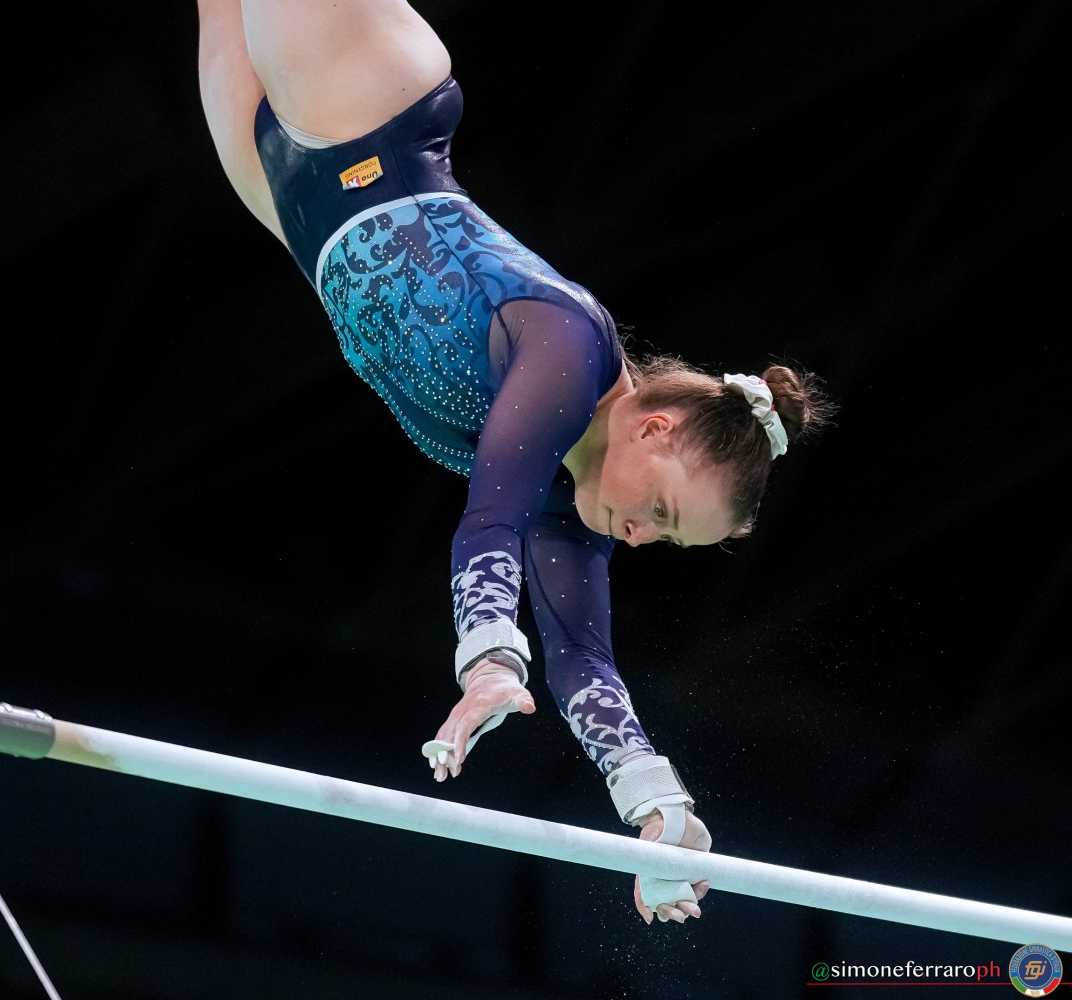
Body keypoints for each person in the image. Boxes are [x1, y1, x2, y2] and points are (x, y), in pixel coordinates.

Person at [195, 0, 834, 926]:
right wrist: (491, 658)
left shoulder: (572, 504)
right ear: (654, 429)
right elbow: (488, 519)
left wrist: (659, 810)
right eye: (661, 511)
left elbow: (584, 662)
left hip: (289, 198)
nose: (640, 538)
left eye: (666, 540)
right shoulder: (570, 353)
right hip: (369, 108)